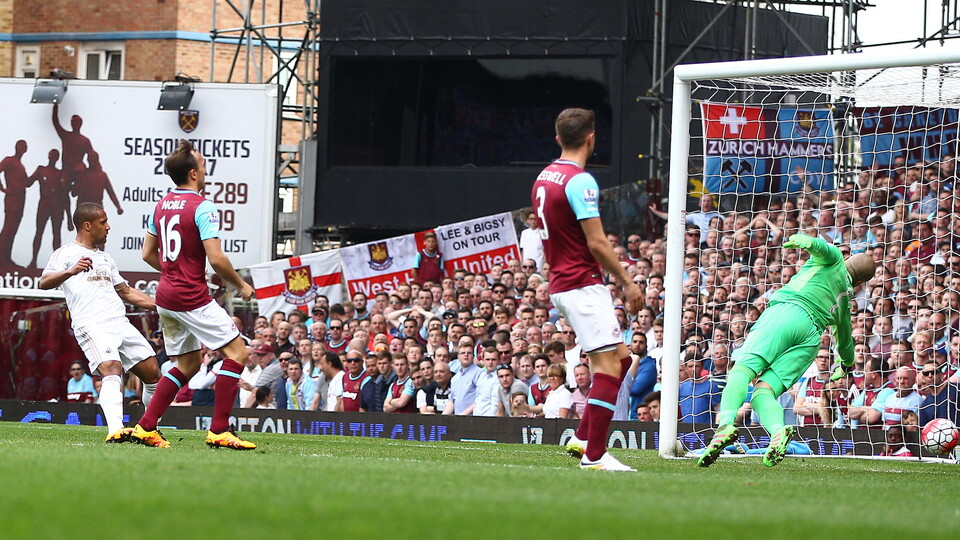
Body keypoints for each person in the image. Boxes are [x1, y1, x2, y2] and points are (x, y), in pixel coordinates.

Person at [698, 233, 876, 468]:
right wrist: (846, 365)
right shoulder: (845, 302)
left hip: (786, 313)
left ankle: (725, 425)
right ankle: (777, 433)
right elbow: (844, 341)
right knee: (764, 391)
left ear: (848, 259)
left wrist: (802, 240)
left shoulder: (833, 260)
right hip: (810, 338)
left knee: (742, 371)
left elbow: (822, 247)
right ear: (860, 282)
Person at [129, 139, 257, 450]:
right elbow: (217, 258)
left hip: (166, 296)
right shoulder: (203, 206)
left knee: (187, 364)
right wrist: (241, 285)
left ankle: (146, 426)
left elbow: (147, 254)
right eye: (202, 164)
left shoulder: (160, 206)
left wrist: (175, 272)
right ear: (193, 174)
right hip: (190, 297)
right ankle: (220, 430)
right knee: (238, 354)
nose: (205, 168)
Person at [533, 108, 642, 471]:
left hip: (563, 283)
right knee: (609, 368)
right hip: (581, 284)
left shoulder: (544, 177)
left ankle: (582, 437)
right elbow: (596, 242)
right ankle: (594, 456)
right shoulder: (580, 181)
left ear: (558, 138)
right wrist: (627, 282)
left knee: (622, 359)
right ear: (591, 138)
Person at [39, 203, 161, 442]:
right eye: (103, 222)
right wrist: (70, 271)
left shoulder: (105, 258)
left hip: (119, 322)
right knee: (112, 368)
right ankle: (115, 430)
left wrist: (162, 305)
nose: (108, 227)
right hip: (92, 323)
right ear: (87, 225)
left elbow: (126, 292)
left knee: (153, 374)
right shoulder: (65, 254)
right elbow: (44, 282)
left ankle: (149, 429)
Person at [28, 149, 67, 269]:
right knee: (39, 232)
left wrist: (69, 216)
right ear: (49, 156)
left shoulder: (60, 173)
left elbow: (65, 195)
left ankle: (57, 264)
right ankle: (34, 260)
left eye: (56, 156)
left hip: (57, 205)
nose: (53, 157)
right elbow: (27, 182)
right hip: (44, 203)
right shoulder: (41, 170)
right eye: (52, 155)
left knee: (56, 234)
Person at [0, 140, 29, 265]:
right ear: (16, 147)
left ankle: (6, 257)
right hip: (12, 197)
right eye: (20, 145)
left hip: (20, 199)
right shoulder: (9, 160)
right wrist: (3, 188)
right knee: (8, 226)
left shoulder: (21, 166)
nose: (22, 148)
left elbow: (27, 182)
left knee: (13, 229)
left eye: (24, 146)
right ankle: (1, 256)